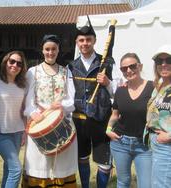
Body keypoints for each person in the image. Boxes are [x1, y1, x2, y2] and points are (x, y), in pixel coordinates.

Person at [68, 17, 120, 188]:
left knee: (104, 163)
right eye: (81, 40)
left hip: (101, 119)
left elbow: (115, 92)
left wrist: (107, 82)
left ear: (94, 41)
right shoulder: (71, 66)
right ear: (77, 42)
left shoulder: (106, 62)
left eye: (88, 39)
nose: (85, 43)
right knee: (82, 158)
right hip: (79, 119)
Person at [22, 34, 78, 187]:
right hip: (40, 120)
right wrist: (33, 112)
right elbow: (28, 98)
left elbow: (71, 98)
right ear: (42, 50)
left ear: (58, 50)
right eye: (47, 49)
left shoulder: (66, 72)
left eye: (54, 49)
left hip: (61, 121)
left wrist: (62, 106)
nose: (50, 52)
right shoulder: (33, 72)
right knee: (39, 161)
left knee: (62, 161)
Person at [106, 53, 153, 188]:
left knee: (146, 184)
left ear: (140, 66)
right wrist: (108, 130)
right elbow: (115, 115)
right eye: (124, 68)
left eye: (132, 66)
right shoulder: (120, 91)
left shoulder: (152, 87)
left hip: (144, 146)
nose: (128, 70)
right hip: (120, 143)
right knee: (123, 182)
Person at [0, 51, 27, 188]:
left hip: (18, 132)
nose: (15, 65)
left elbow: (23, 110)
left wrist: (25, 131)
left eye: (19, 63)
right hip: (1, 132)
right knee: (16, 169)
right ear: (5, 62)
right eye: (12, 61)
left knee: (9, 168)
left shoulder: (23, 85)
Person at [145, 45, 171, 188]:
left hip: (167, 145)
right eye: (159, 61)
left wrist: (169, 136)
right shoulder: (159, 86)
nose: (164, 64)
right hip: (155, 143)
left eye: (169, 60)